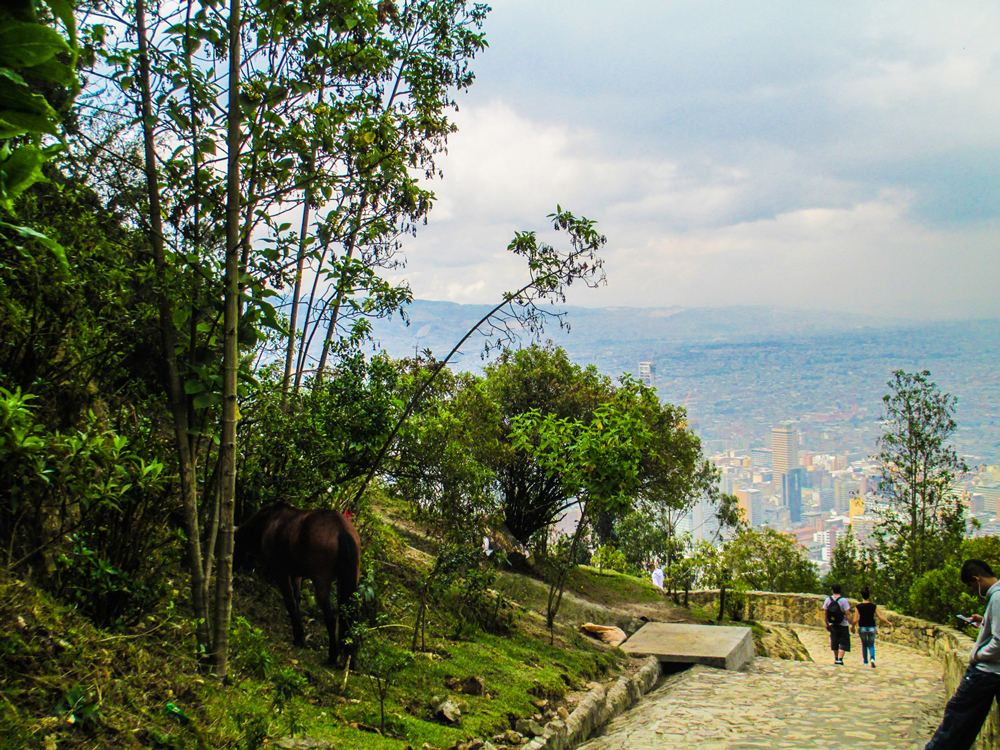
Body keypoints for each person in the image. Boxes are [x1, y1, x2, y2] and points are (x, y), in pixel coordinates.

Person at [925, 559, 1000, 750]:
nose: (973, 591)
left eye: (971, 586)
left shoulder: (997, 597)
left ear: (977, 579)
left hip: (986, 672)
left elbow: (999, 641)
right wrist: (984, 622)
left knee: (956, 719)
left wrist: (977, 656)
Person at [851, 586, 892, 667]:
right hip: (872, 627)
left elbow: (855, 620)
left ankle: (865, 662)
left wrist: (852, 627)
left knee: (864, 644)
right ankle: (872, 659)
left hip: (862, 627)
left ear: (861, 596)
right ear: (869, 596)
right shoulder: (874, 606)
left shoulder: (858, 607)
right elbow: (880, 617)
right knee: (871, 644)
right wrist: (888, 622)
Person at [822, 583, 856, 665]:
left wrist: (827, 624)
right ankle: (840, 658)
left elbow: (825, 613)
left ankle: (836, 658)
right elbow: (847, 613)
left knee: (834, 641)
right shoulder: (843, 600)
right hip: (843, 624)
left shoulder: (828, 599)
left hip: (833, 624)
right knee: (843, 641)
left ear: (832, 590)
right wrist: (852, 623)